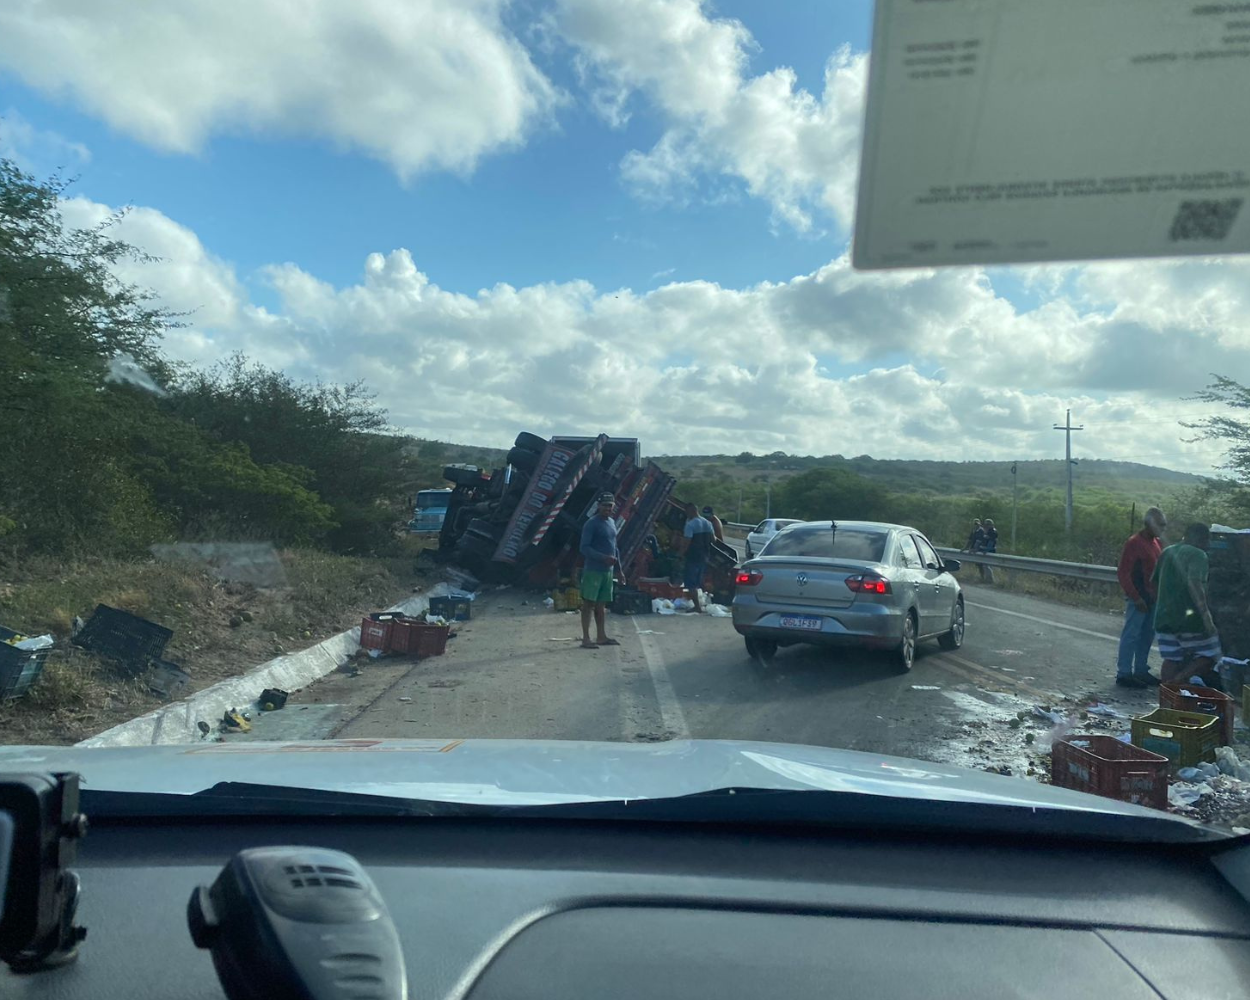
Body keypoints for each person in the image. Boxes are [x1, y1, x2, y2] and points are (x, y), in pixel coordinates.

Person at [1152, 522, 1221, 686]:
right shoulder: (1198, 555)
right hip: (1190, 621)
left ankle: (1167, 699)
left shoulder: (1167, 552)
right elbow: (1194, 585)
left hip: (1163, 618)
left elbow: (1154, 582)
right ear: (1199, 538)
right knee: (1211, 654)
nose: (1208, 545)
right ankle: (1180, 681)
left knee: (1171, 658)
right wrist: (1206, 617)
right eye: (1207, 540)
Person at [1114, 507, 1166, 689]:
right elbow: (1123, 573)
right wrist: (1136, 598)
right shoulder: (1134, 543)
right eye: (1159, 524)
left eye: (1163, 525)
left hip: (1152, 599)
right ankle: (1124, 673)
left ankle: (1141, 670)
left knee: (1146, 636)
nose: (1162, 528)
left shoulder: (1156, 543)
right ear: (1148, 524)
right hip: (1139, 597)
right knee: (1131, 635)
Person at [578, 492, 621, 649]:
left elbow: (615, 548)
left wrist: (619, 570)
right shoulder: (591, 524)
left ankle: (601, 636)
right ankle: (586, 638)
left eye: (610, 505)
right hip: (593, 570)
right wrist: (603, 558)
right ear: (598, 506)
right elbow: (584, 548)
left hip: (607, 571)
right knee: (589, 604)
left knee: (601, 605)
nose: (607, 508)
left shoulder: (611, 522)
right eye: (605, 505)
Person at [679, 502, 715, 613]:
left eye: (687, 512)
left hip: (693, 556)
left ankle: (697, 607)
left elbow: (687, 542)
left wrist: (680, 555)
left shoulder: (690, 524)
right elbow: (714, 540)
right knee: (700, 581)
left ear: (691, 511)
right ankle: (706, 603)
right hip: (704, 556)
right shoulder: (707, 523)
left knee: (691, 583)